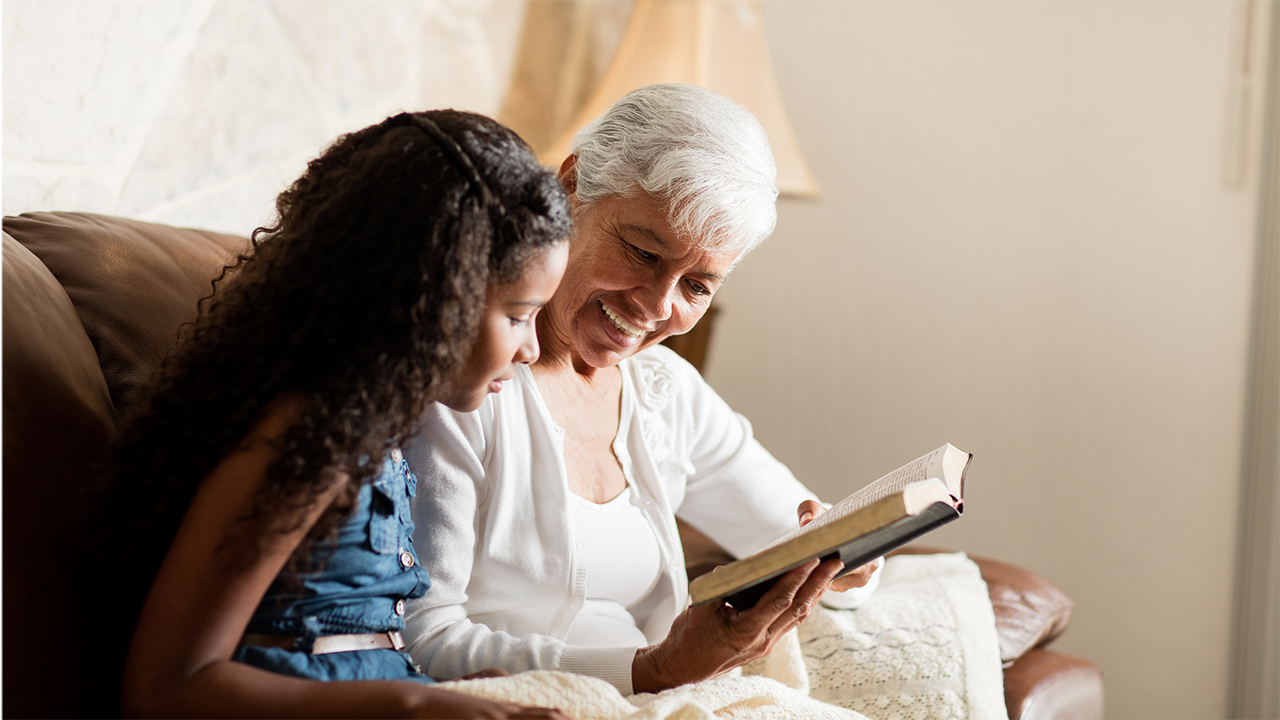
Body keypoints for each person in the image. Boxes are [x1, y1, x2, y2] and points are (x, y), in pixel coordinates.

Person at [403, 84, 883, 696]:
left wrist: (853, 559)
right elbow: (419, 640)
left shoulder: (665, 392)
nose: (659, 306)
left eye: (699, 286)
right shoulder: (465, 380)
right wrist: (653, 671)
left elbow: (805, 531)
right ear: (572, 187)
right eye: (643, 251)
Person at [99, 110, 576, 720]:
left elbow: (357, 647)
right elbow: (167, 685)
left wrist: (442, 694)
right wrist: (411, 704)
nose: (532, 349)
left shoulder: (378, 433)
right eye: (518, 315)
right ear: (431, 297)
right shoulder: (305, 438)